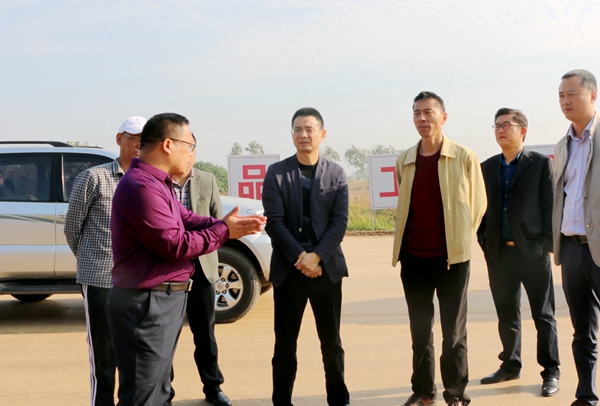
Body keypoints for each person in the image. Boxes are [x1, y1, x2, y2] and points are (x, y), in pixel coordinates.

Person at [107, 113, 266, 406]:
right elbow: (174, 244)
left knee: (158, 390)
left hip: (160, 300)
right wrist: (224, 231)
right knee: (143, 395)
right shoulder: (142, 187)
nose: (191, 153)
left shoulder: (157, 183)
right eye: (189, 145)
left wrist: (225, 225)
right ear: (168, 145)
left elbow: (187, 219)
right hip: (146, 303)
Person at [391, 92, 486, 406]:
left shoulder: (463, 156)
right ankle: (423, 391)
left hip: (452, 261)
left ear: (443, 117)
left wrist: (460, 241)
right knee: (420, 332)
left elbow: (478, 204)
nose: (422, 118)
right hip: (413, 258)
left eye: (428, 112)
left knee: (453, 332)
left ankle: (455, 393)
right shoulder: (405, 159)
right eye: (416, 113)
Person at [262, 107, 350, 406]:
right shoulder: (276, 173)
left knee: (332, 343)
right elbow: (274, 222)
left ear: (322, 134)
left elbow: (339, 223)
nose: (303, 134)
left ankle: (338, 399)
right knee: (285, 344)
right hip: (290, 271)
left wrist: (317, 257)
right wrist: (301, 257)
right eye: (297, 129)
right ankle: (281, 401)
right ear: (292, 135)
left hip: (327, 271)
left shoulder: (336, 173)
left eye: (309, 129)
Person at [65, 115, 147, 406]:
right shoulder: (93, 178)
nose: (139, 144)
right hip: (100, 279)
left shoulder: (148, 181)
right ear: (119, 139)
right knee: (103, 353)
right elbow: (72, 228)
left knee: (134, 351)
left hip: (137, 281)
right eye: (133, 137)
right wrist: (93, 260)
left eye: (144, 139)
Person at [477, 108, 560, 396]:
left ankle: (550, 371)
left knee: (543, 315)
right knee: (507, 314)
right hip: (499, 254)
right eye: (496, 125)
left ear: (522, 131)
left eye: (506, 124)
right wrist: (485, 242)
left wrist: (545, 245)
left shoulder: (540, 164)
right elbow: (480, 211)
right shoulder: (486, 167)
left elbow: (551, 207)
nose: (500, 129)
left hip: (532, 252)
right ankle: (510, 364)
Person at [169, 135, 231, 406]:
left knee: (205, 335)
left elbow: (217, 223)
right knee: (165, 337)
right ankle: (164, 391)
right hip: (169, 271)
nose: (188, 153)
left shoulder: (207, 180)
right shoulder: (159, 183)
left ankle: (213, 387)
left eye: (191, 148)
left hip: (202, 269)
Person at [553, 69, 600, 406]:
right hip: (571, 248)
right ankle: (586, 395)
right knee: (582, 329)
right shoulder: (562, 145)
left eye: (572, 94)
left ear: (593, 96)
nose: (565, 101)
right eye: (561, 96)